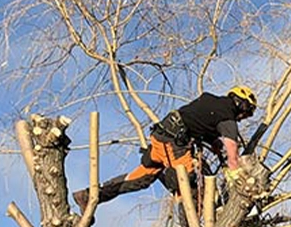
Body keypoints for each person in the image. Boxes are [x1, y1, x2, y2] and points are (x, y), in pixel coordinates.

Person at [73, 86, 257, 211]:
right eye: (247, 113)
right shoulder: (227, 117)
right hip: (173, 144)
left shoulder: (210, 102)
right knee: (192, 185)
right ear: (241, 104)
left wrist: (216, 145)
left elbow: (200, 123)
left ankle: (88, 196)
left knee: (141, 179)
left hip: (163, 137)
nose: (244, 118)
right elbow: (233, 158)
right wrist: (237, 180)